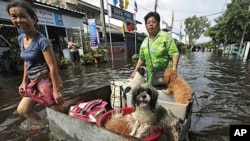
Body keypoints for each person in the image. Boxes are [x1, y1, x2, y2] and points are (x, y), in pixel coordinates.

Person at [7, 0, 65, 124]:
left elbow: (53, 67)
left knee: (56, 110)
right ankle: (43, 125)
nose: (18, 20)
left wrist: (56, 91)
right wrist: (24, 82)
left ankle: (55, 128)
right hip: (33, 81)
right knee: (23, 110)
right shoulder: (21, 38)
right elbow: (26, 61)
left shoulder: (42, 41)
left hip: (46, 80)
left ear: (33, 19)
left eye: (23, 16)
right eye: (14, 17)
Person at [131, 12, 179, 88]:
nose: (150, 24)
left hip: (166, 76)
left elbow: (174, 53)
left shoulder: (165, 36)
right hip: (151, 78)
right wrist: (135, 71)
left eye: (153, 22)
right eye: (148, 23)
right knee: (153, 96)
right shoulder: (145, 41)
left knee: (165, 96)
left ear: (158, 23)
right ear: (146, 26)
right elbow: (141, 58)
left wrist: (174, 68)